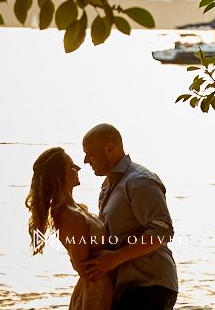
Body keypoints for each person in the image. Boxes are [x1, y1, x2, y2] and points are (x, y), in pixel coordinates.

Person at [79, 123, 178, 310]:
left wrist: (115, 258)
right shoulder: (109, 185)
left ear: (110, 148)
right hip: (127, 288)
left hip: (149, 286)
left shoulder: (140, 181)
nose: (85, 160)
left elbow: (162, 231)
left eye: (90, 154)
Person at [26, 146, 114, 310]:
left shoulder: (76, 209)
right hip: (97, 293)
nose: (79, 167)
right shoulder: (70, 216)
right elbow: (83, 269)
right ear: (59, 176)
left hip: (104, 288)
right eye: (72, 166)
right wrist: (119, 256)